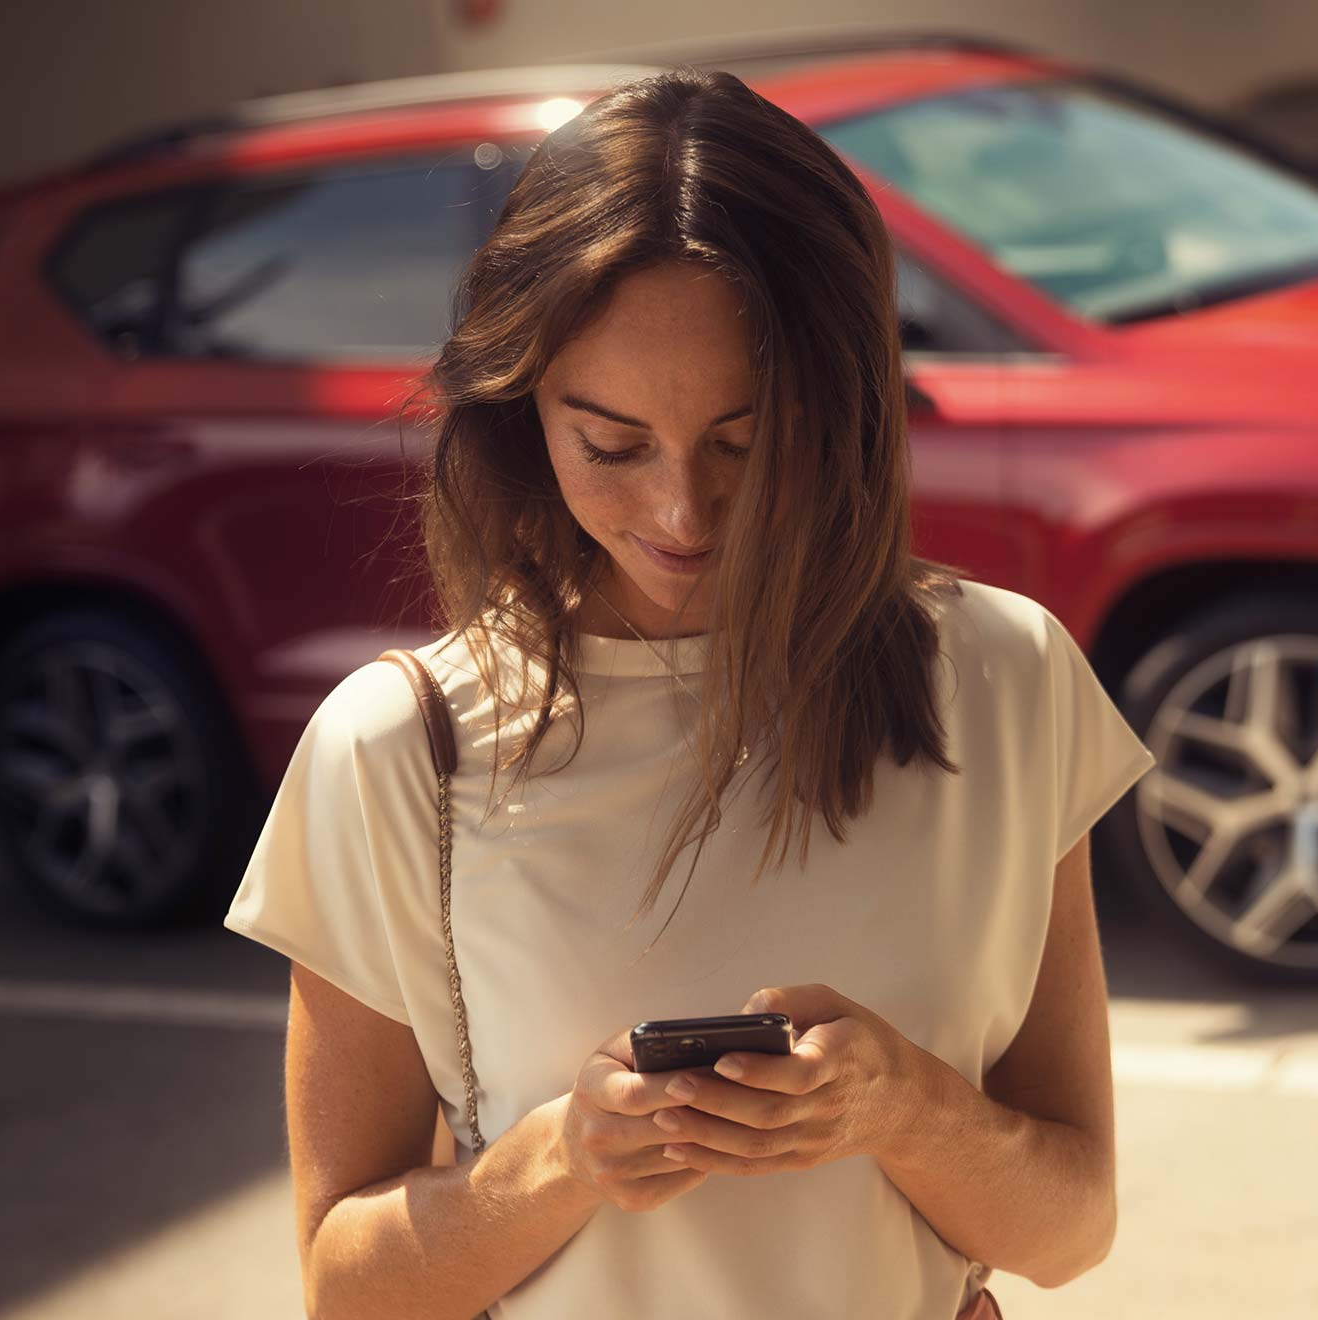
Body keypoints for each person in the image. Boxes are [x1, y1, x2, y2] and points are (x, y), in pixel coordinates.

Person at [222, 66, 1156, 1320]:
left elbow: (1070, 1230)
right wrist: (561, 1161)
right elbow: (347, 1292)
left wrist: (904, 1109)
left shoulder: (1003, 676)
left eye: (742, 440)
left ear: (844, 410)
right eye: (608, 444)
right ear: (520, 411)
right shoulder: (400, 751)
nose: (681, 512)